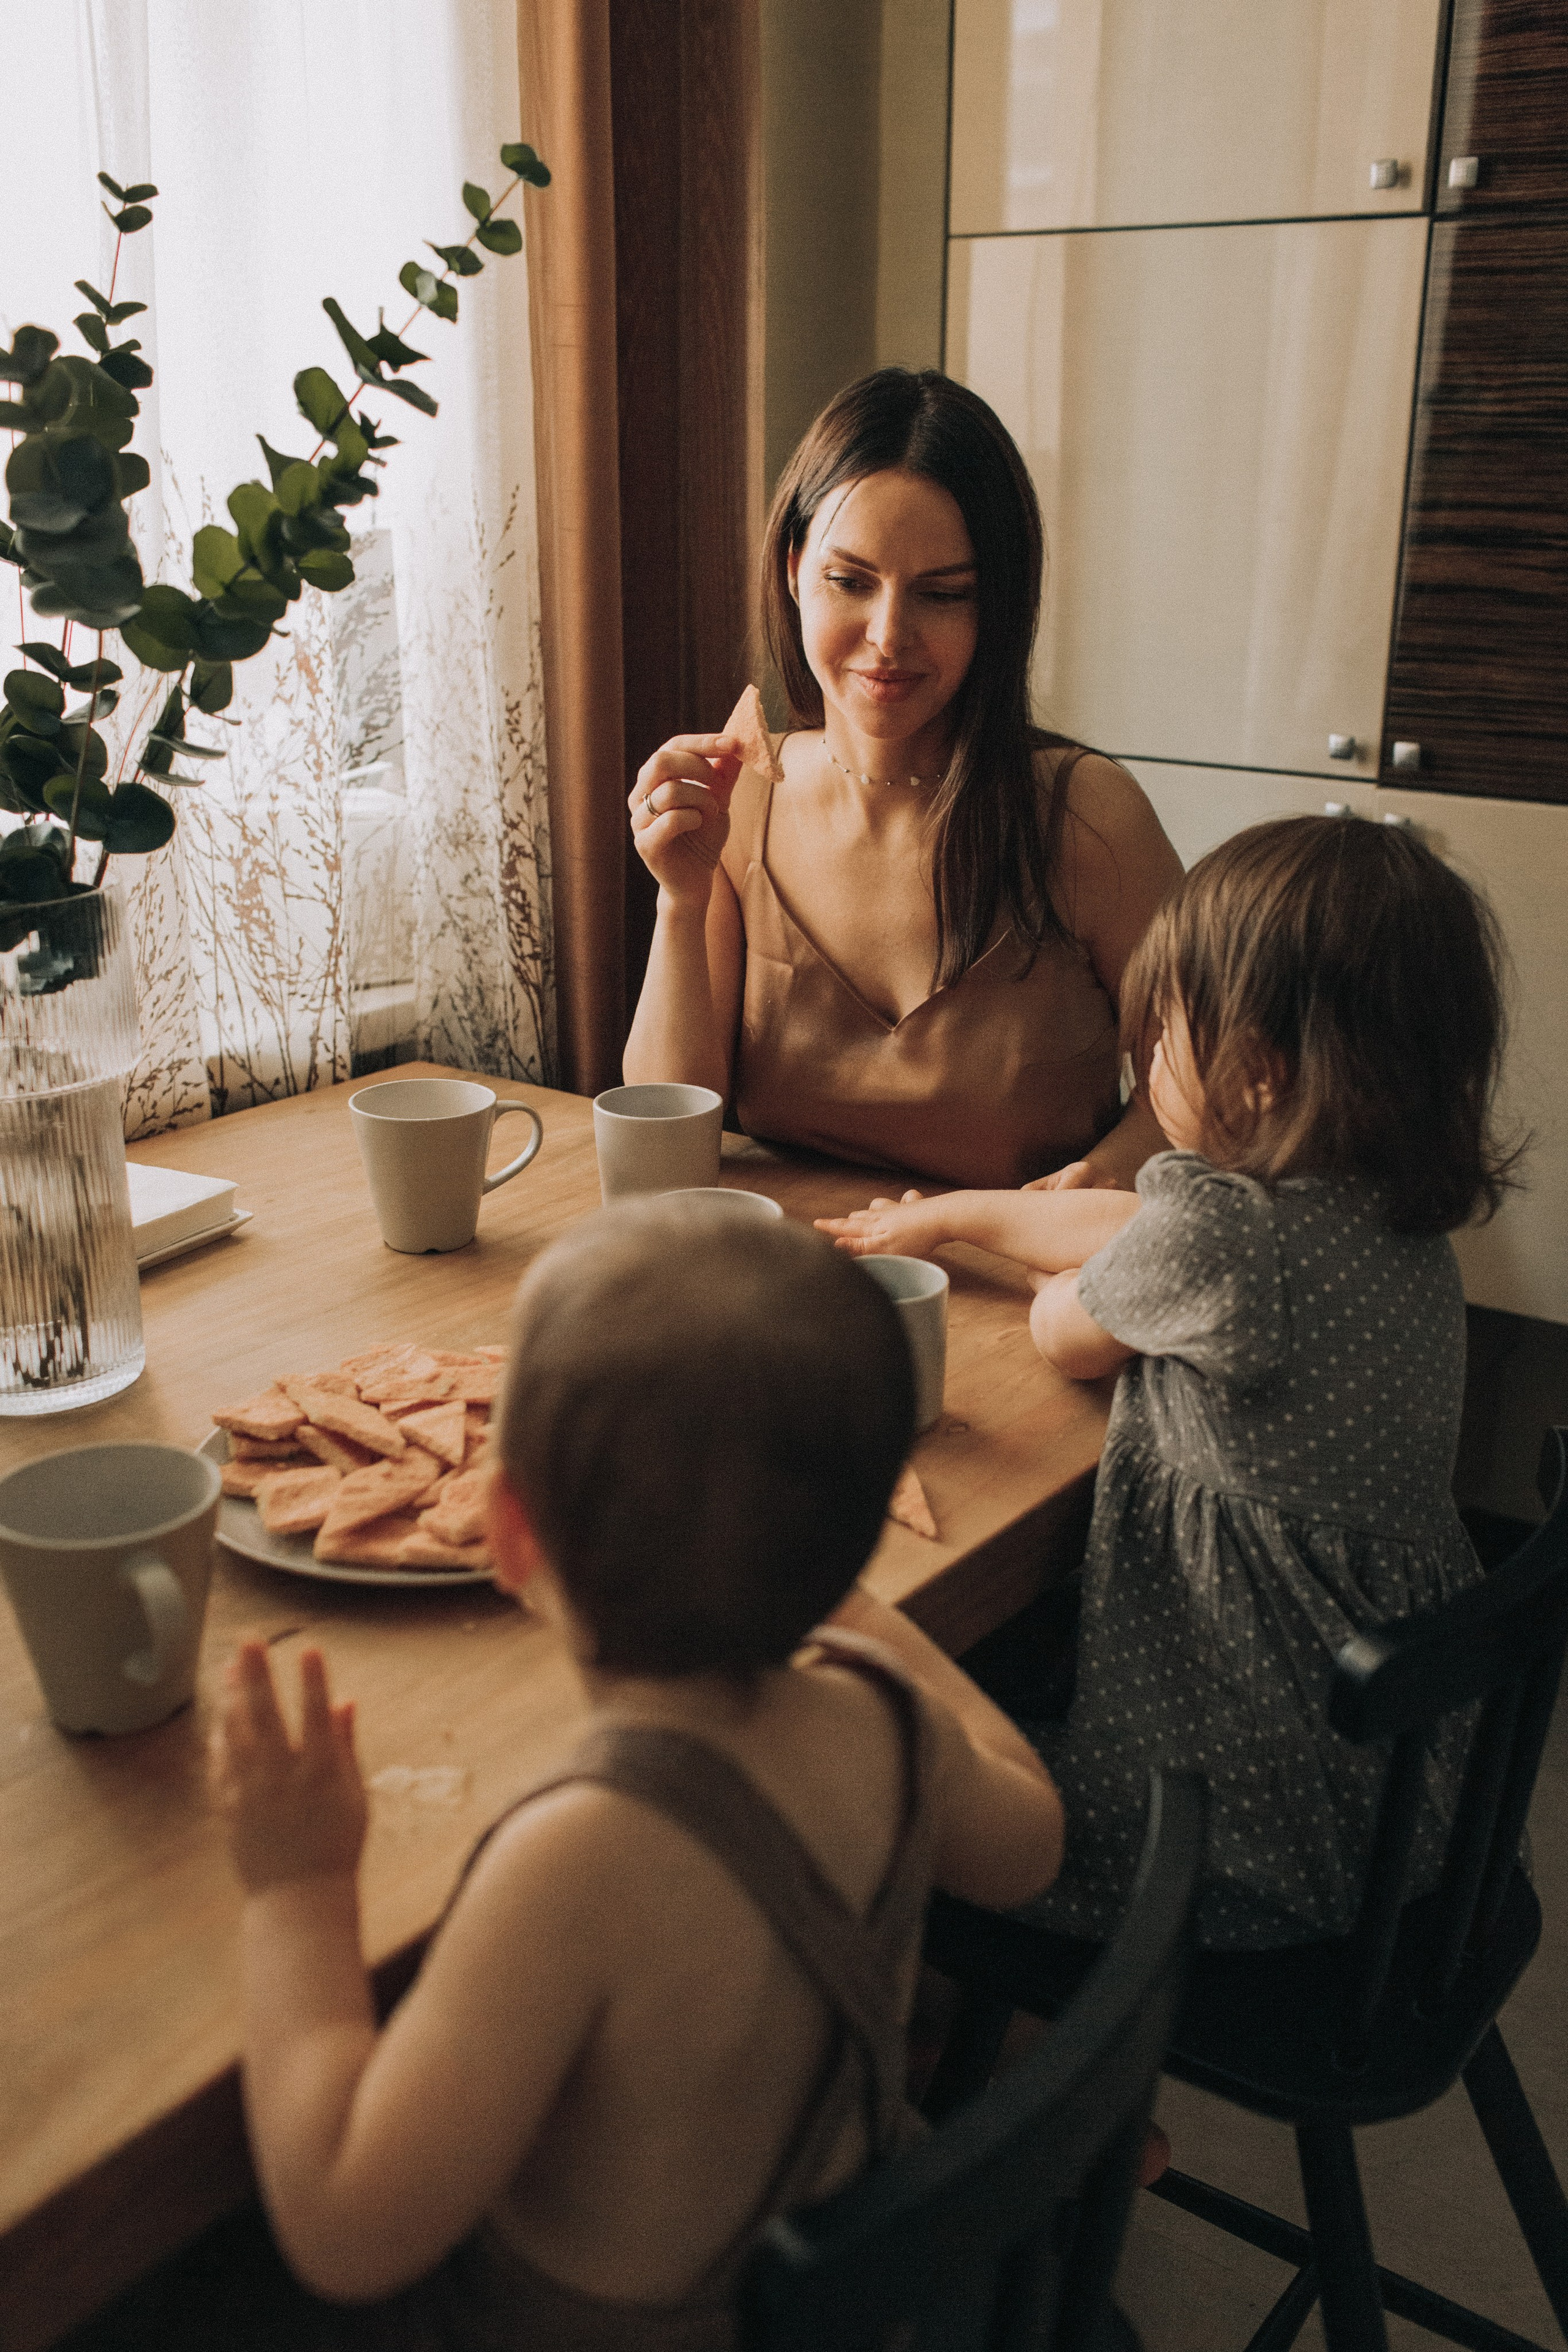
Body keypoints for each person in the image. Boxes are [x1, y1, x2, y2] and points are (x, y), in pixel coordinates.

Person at [209, 1200, 1065, 2348]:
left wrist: (294, 1888)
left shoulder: (572, 1860)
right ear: (865, 1537)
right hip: (844, 2305)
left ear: (504, 1533)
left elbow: (346, 2232)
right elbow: (1032, 1846)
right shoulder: (887, 1725)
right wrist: (851, 1612)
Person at [819, 816, 1519, 1950]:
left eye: (1168, 1032)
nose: (1147, 1063)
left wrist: (1004, 1250)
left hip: (1230, 1817)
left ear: (1264, 1070)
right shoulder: (1393, 1223)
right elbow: (1144, 1225)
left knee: (863, 1765)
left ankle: (1020, 2073)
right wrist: (951, 1216)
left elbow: (1064, 1329)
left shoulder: (1225, 1239)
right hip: (1391, 1795)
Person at [622, 368, 1183, 1193]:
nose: (889, 637)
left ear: (996, 607)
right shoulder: (743, 797)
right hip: (785, 1286)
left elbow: (1213, 1080)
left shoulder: (1087, 817)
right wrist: (680, 898)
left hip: (1020, 1285)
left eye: (943, 594)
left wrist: (1096, 1181)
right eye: (850, 583)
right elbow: (667, 1139)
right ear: (792, 569)